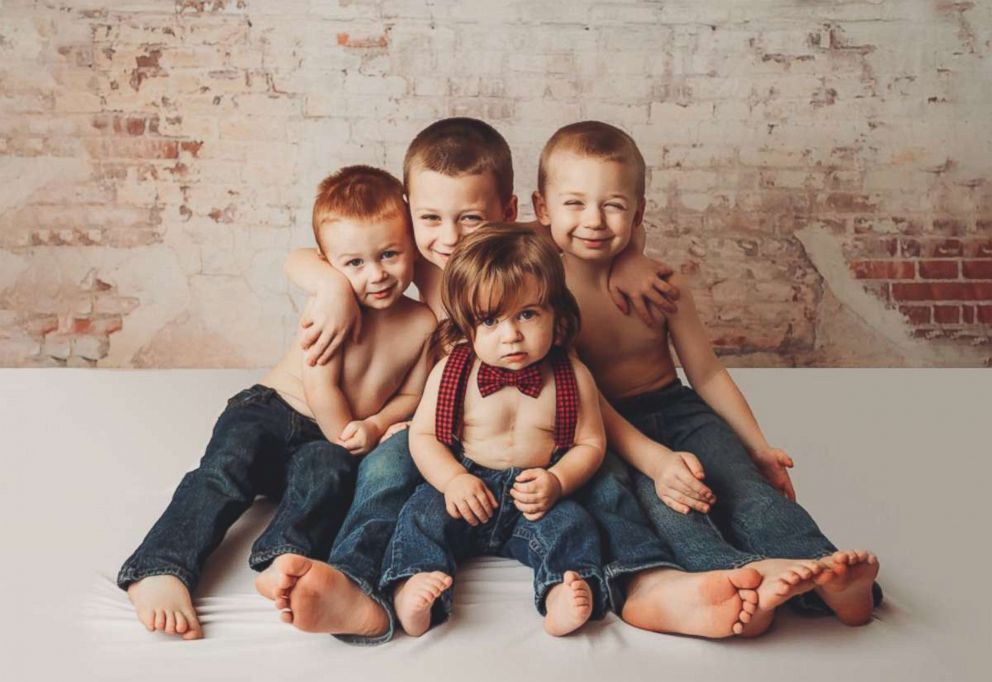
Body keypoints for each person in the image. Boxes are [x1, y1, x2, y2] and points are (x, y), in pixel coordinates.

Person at [533, 121, 881, 631]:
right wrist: (655, 462)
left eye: (613, 205)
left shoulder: (662, 285)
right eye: (574, 203)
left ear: (638, 213)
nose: (594, 220)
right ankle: (738, 580)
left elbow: (708, 372)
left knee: (745, 488)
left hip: (676, 408)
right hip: (605, 430)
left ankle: (833, 579)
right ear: (542, 209)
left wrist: (756, 445)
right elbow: (584, 396)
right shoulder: (543, 292)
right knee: (671, 501)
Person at [119, 166, 435, 639]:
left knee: (324, 477)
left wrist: (373, 428)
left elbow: (412, 394)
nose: (376, 274)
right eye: (354, 263)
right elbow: (318, 384)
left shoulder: (423, 323)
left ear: (410, 245)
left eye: (390, 254)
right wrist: (345, 433)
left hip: (331, 438)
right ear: (330, 263)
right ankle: (161, 566)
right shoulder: (334, 305)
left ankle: (283, 559)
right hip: (271, 410)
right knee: (226, 470)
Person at [381, 225, 607, 637]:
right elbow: (424, 436)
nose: (511, 335)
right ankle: (412, 583)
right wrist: (452, 480)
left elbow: (591, 443)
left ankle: (558, 590)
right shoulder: (452, 370)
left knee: (574, 525)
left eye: (527, 314)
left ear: (556, 313)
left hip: (533, 496)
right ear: (467, 326)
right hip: (467, 489)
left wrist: (557, 481)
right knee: (418, 515)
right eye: (490, 320)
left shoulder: (572, 375)